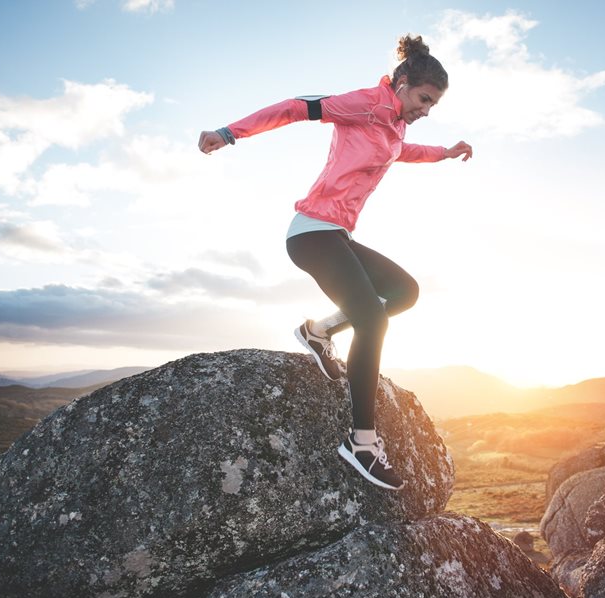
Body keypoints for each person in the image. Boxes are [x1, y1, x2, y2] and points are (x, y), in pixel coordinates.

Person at [198, 34, 472, 490]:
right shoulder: (365, 104)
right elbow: (295, 106)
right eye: (424, 99)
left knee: (405, 293)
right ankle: (362, 443)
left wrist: (444, 152)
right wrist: (229, 134)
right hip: (311, 233)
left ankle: (318, 331)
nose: (425, 110)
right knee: (372, 321)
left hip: (337, 236)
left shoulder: (394, 127)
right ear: (402, 83)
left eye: (433, 105)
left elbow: (403, 152)